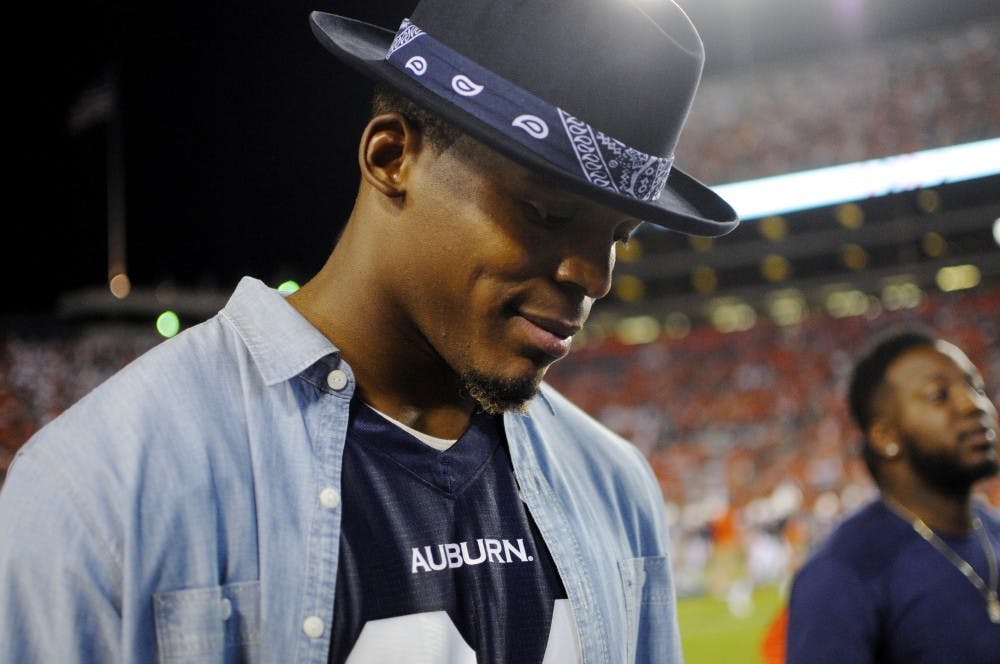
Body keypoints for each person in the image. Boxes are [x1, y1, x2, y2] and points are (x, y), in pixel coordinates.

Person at [0, 0, 739, 662]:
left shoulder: (616, 488)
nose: (595, 277)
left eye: (619, 236)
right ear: (391, 157)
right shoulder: (99, 489)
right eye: (547, 212)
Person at [786, 328, 1000, 663]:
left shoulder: (994, 533)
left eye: (976, 386)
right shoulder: (841, 573)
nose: (974, 404)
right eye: (940, 395)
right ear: (885, 436)